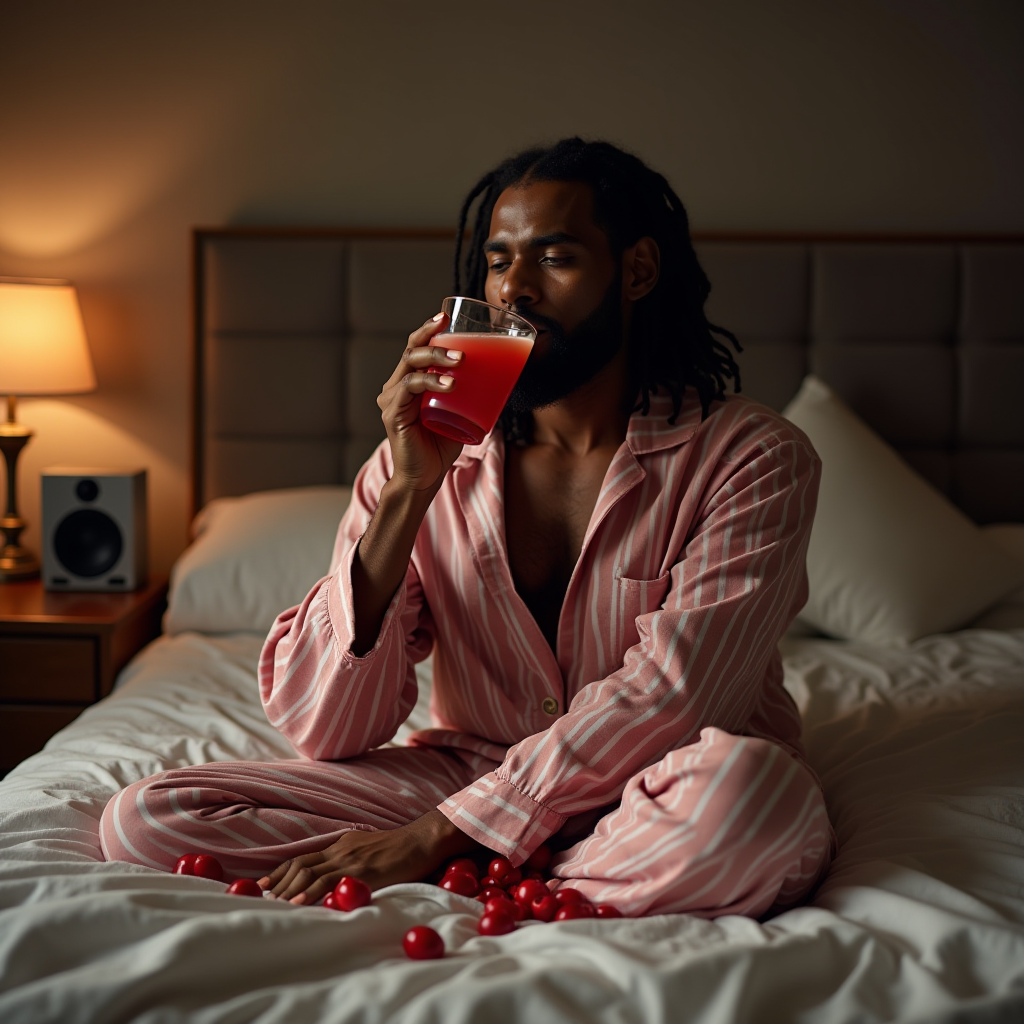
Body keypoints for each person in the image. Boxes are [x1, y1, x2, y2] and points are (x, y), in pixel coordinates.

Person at [101, 138, 834, 918]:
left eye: (554, 259)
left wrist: (437, 838)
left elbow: (676, 697)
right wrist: (411, 489)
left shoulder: (752, 457)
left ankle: (493, 870)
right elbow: (324, 727)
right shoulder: (420, 466)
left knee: (754, 804)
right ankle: (560, 880)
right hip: (468, 770)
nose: (515, 287)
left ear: (637, 271)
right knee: (148, 819)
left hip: (656, 776)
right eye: (498, 260)